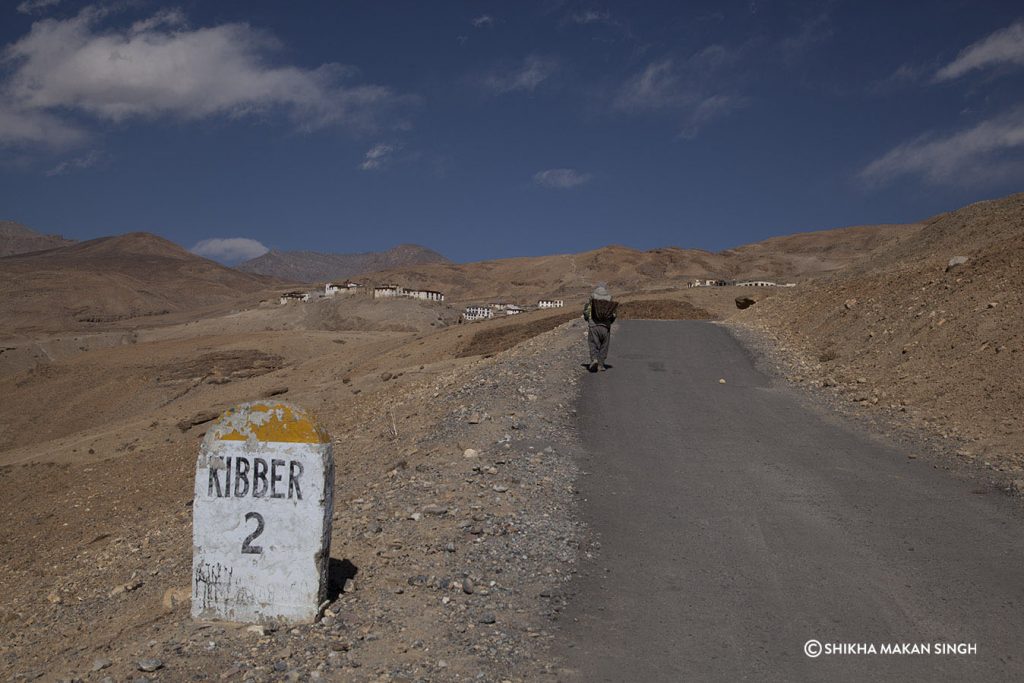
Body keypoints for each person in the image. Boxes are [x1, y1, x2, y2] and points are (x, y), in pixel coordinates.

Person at [583, 284, 617, 372]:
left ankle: (594, 359)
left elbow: (587, 312)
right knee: (604, 345)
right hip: (606, 327)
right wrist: (609, 323)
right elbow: (614, 314)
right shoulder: (609, 298)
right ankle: (601, 365)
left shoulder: (592, 297)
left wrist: (588, 319)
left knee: (593, 343)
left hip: (593, 325)